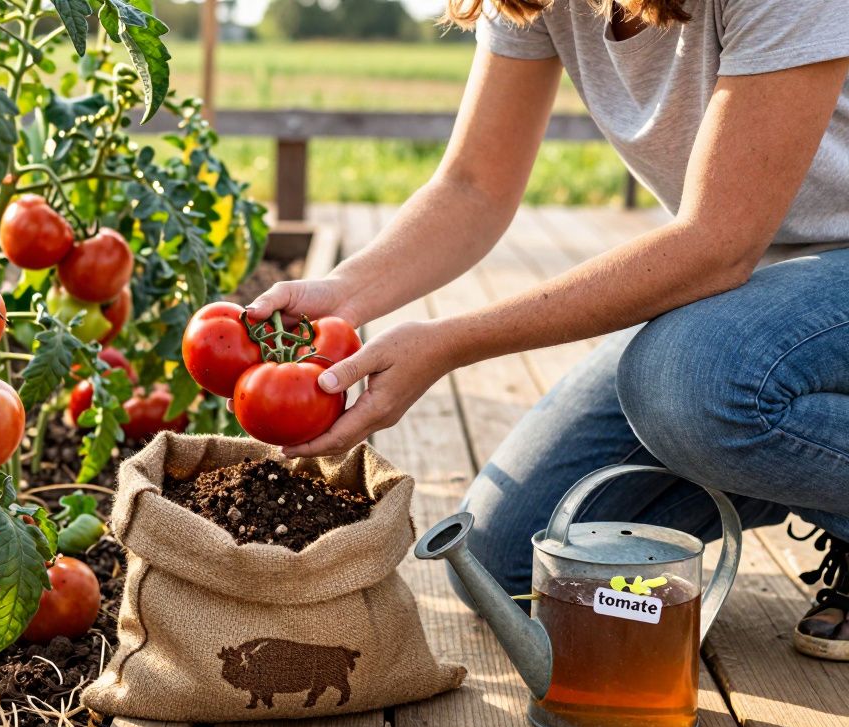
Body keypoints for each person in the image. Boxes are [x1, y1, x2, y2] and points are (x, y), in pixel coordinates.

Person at [246, 0, 849, 661]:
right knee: (514, 563)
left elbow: (716, 243)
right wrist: (344, 294)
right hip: (751, 300)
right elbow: (474, 185)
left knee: (690, 381)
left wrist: (450, 341)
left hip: (793, 277)